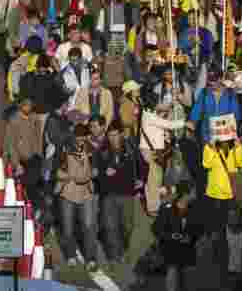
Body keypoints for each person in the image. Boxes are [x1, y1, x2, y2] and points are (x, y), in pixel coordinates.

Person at [96, 122, 146, 263]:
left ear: (121, 134)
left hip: (127, 193)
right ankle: (114, 255)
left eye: (115, 135)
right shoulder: (102, 151)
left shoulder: (131, 148)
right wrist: (104, 173)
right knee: (110, 226)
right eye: (110, 135)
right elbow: (96, 173)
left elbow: (143, 165)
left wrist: (142, 180)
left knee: (127, 226)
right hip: (108, 194)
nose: (112, 138)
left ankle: (123, 249)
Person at [55, 125, 100, 271]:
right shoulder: (64, 149)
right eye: (78, 136)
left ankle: (91, 258)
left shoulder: (92, 150)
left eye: (84, 136)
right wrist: (69, 176)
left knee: (89, 226)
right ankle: (70, 255)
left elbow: (96, 169)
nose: (81, 139)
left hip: (86, 192)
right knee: (67, 228)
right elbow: (56, 171)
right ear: (74, 136)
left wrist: (91, 174)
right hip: (68, 193)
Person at [153, 181, 200, 291]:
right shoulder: (167, 209)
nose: (196, 193)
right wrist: (172, 236)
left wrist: (191, 236)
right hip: (171, 253)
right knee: (173, 280)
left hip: (188, 254)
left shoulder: (194, 210)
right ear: (185, 193)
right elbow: (156, 229)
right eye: (193, 191)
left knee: (188, 284)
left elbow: (198, 229)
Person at [201, 131, 242, 236]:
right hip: (215, 194)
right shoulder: (212, 149)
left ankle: (231, 244)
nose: (225, 141)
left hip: (232, 193)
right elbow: (206, 164)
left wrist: (239, 147)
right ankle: (218, 246)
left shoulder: (235, 149)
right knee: (217, 228)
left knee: (233, 225)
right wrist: (210, 147)